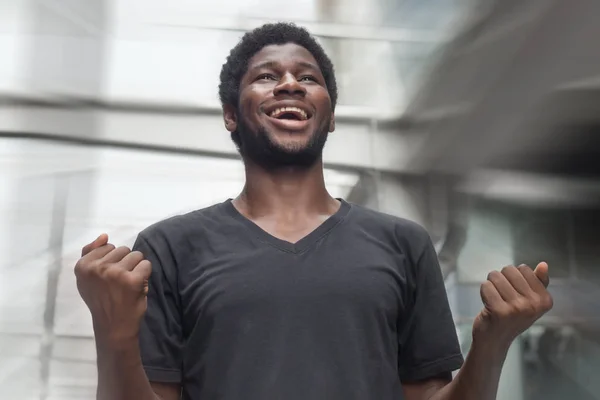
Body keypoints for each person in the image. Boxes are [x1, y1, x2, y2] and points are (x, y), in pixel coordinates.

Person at [74, 23, 553, 400]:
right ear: (231, 114)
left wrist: (491, 343)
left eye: (308, 77)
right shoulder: (169, 247)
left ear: (330, 113)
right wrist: (109, 327)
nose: (290, 84)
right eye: (267, 76)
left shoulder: (404, 244)